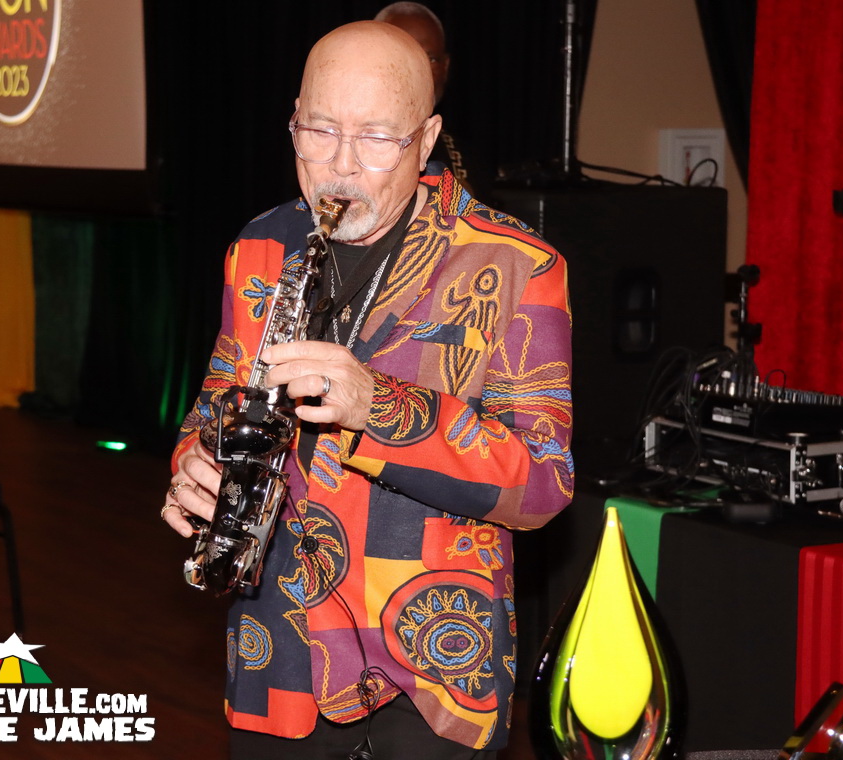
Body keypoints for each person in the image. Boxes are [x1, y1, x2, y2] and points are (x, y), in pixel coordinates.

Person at [162, 20, 573, 759]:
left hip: (431, 668)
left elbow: (542, 486)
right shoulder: (259, 246)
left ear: (426, 137)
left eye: (378, 138)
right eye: (318, 131)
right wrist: (195, 459)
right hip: (276, 658)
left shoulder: (519, 266)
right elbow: (218, 399)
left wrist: (376, 406)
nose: (339, 168)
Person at [374, 2, 484, 197]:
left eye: (430, 59)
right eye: (402, 57)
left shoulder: (469, 159)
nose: (419, 72)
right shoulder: (337, 154)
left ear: (445, 67)